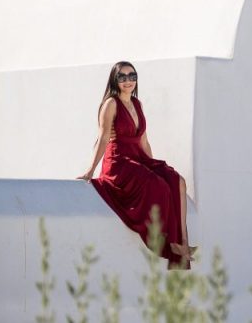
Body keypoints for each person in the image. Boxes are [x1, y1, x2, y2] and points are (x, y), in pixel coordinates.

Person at [79, 61, 196, 269]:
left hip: (138, 157)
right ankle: (168, 245)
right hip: (119, 162)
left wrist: (152, 164)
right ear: (115, 80)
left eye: (132, 76)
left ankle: (183, 244)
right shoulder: (111, 104)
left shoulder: (138, 104)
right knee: (158, 186)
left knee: (177, 181)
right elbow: (103, 138)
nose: (128, 81)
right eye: (122, 77)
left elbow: (143, 140)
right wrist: (90, 171)